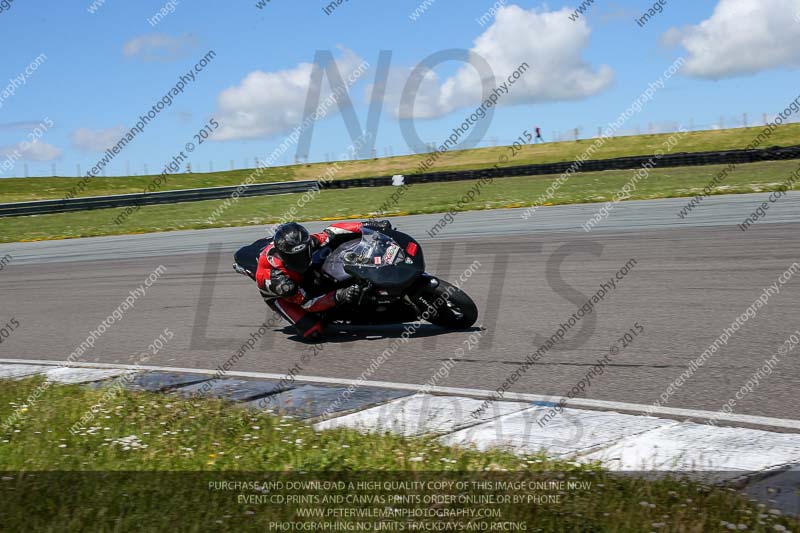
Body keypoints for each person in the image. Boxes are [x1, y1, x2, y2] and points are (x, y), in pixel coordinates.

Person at [256, 220, 392, 340]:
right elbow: (307, 303)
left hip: (302, 274)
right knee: (314, 331)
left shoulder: (307, 242)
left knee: (337, 242)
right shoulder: (278, 279)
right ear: (283, 255)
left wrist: (369, 225)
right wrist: (341, 294)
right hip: (282, 296)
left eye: (302, 254)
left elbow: (333, 231)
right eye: (295, 257)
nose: (300, 259)